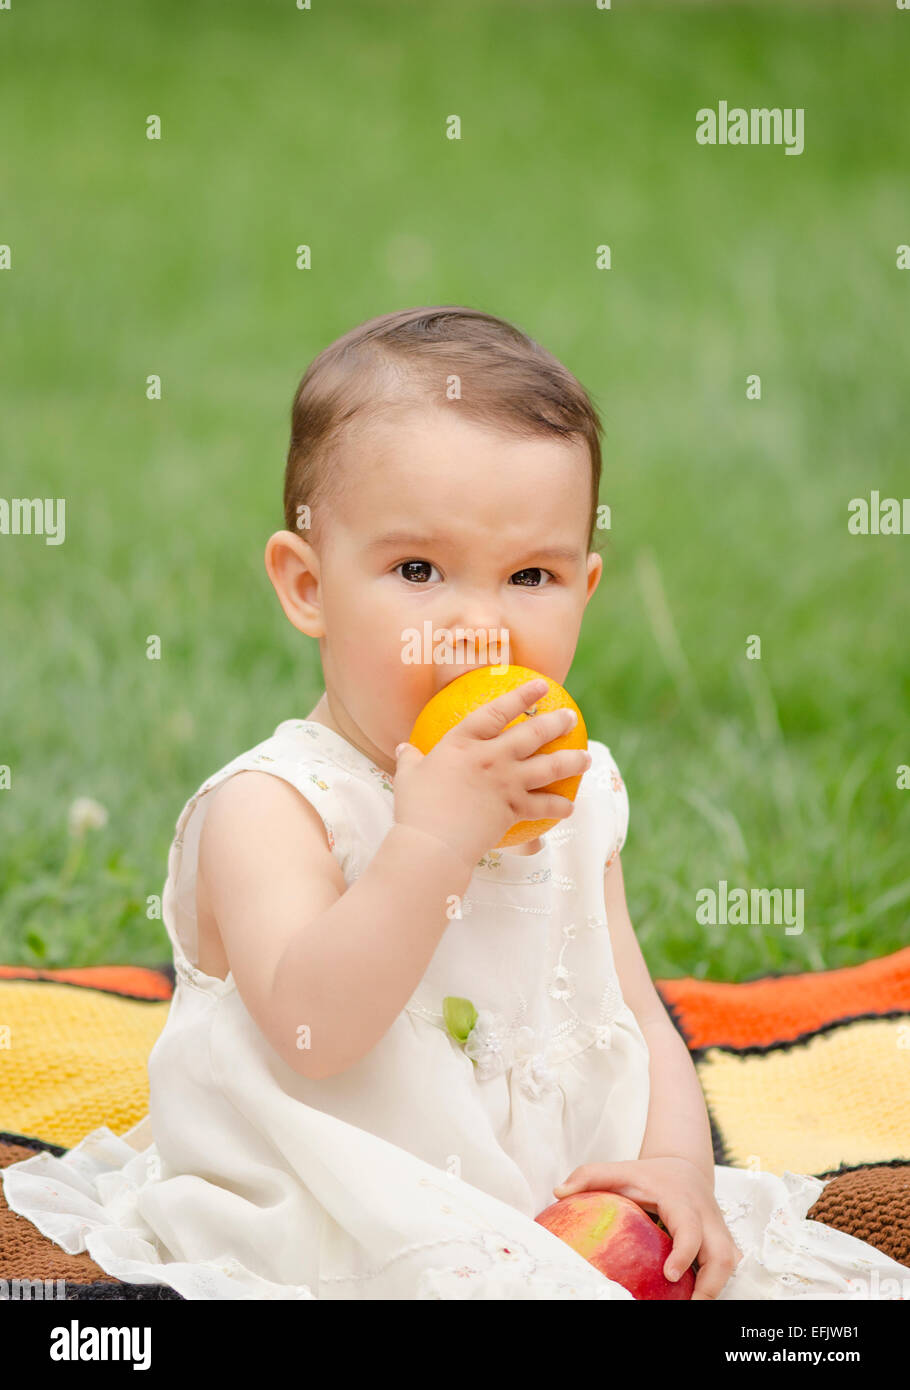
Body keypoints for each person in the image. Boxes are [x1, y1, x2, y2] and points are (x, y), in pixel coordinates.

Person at [4, 306, 906, 1300]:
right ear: (307, 585)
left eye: (530, 576)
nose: (480, 628)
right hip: (338, 1219)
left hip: (557, 1208)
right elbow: (316, 1034)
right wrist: (431, 837)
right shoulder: (272, 811)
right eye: (419, 571)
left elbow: (634, 1015)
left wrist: (678, 1171)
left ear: (586, 588)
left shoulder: (573, 787)